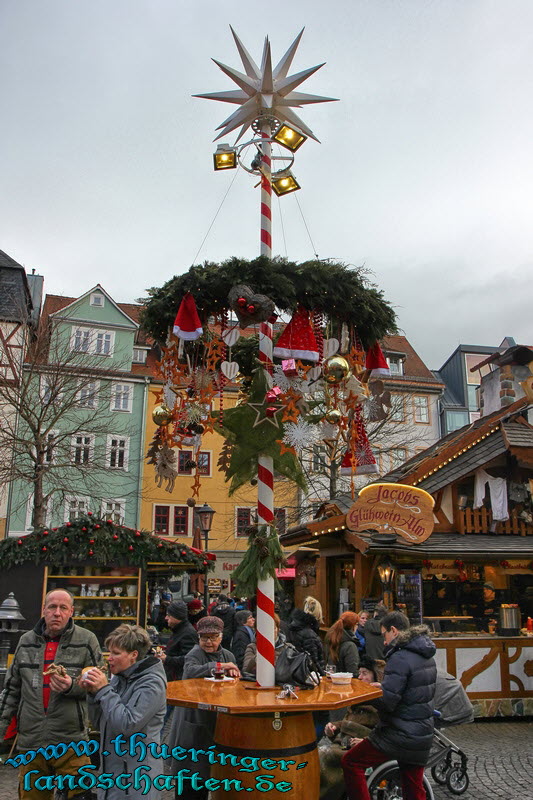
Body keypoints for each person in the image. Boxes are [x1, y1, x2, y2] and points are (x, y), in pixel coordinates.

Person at [0, 589, 103, 800]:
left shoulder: (87, 640)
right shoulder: (26, 641)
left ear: (71, 611)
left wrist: (71, 686)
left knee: (80, 796)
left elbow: (101, 683)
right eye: (52, 607)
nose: (57, 613)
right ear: (43, 610)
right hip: (32, 741)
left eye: (63, 608)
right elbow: (11, 691)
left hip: (71, 740)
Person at [341, 611, 437, 800]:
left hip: (398, 734)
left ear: (393, 631)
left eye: (384, 634)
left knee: (351, 762)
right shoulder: (427, 656)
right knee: (413, 786)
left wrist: (366, 693)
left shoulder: (399, 657)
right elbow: (411, 692)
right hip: (422, 734)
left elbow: (388, 702)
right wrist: (383, 687)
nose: (384, 641)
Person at [84, 624, 167, 800]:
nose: (109, 658)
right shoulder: (120, 679)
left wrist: (104, 691)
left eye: (115, 653)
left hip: (137, 780)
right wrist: (93, 695)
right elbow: (101, 723)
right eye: (109, 652)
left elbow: (127, 724)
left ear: (133, 655)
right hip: (112, 775)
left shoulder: (151, 684)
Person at [168, 615, 240, 800]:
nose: (208, 642)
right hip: (193, 721)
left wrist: (232, 672)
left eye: (213, 637)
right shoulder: (194, 654)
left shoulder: (228, 655)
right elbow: (190, 672)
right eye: (204, 638)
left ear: (221, 637)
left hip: (216, 720)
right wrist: (220, 666)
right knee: (191, 776)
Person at [319, 657, 386, 800]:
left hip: (360, 746)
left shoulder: (381, 702)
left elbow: (385, 732)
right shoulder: (359, 697)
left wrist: (366, 741)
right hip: (344, 742)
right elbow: (347, 721)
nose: (360, 677)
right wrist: (333, 727)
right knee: (316, 756)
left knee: (323, 758)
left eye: (365, 673)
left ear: (376, 676)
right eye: (359, 673)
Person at [157, 599, 198, 681]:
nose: (166, 618)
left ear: (177, 616)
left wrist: (167, 659)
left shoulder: (188, 633)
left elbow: (189, 658)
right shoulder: (178, 630)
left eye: (169, 615)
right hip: (173, 675)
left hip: (179, 679)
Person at [288, 601, 325, 670]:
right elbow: (313, 662)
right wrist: (323, 675)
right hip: (310, 676)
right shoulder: (309, 635)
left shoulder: (293, 629)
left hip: (294, 672)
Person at [324, 611, 360, 677]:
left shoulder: (331, 640)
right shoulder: (350, 646)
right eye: (357, 624)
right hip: (345, 683)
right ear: (353, 626)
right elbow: (353, 672)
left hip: (331, 680)